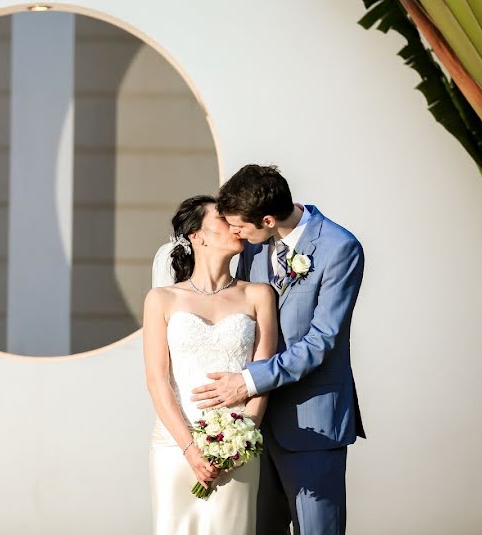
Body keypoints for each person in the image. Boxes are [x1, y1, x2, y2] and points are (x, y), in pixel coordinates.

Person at [191, 164, 366, 534]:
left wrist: (249, 381)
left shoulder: (340, 249)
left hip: (311, 421)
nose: (233, 234)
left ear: (268, 219)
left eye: (239, 226)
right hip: (251, 427)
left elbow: (322, 340)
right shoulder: (254, 248)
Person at [144, 194, 277, 534]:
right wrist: (190, 449)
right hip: (176, 445)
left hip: (239, 449)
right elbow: (158, 381)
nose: (235, 223)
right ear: (197, 236)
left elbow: (263, 375)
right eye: (222, 217)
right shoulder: (162, 299)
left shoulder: (258, 295)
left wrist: (242, 437)